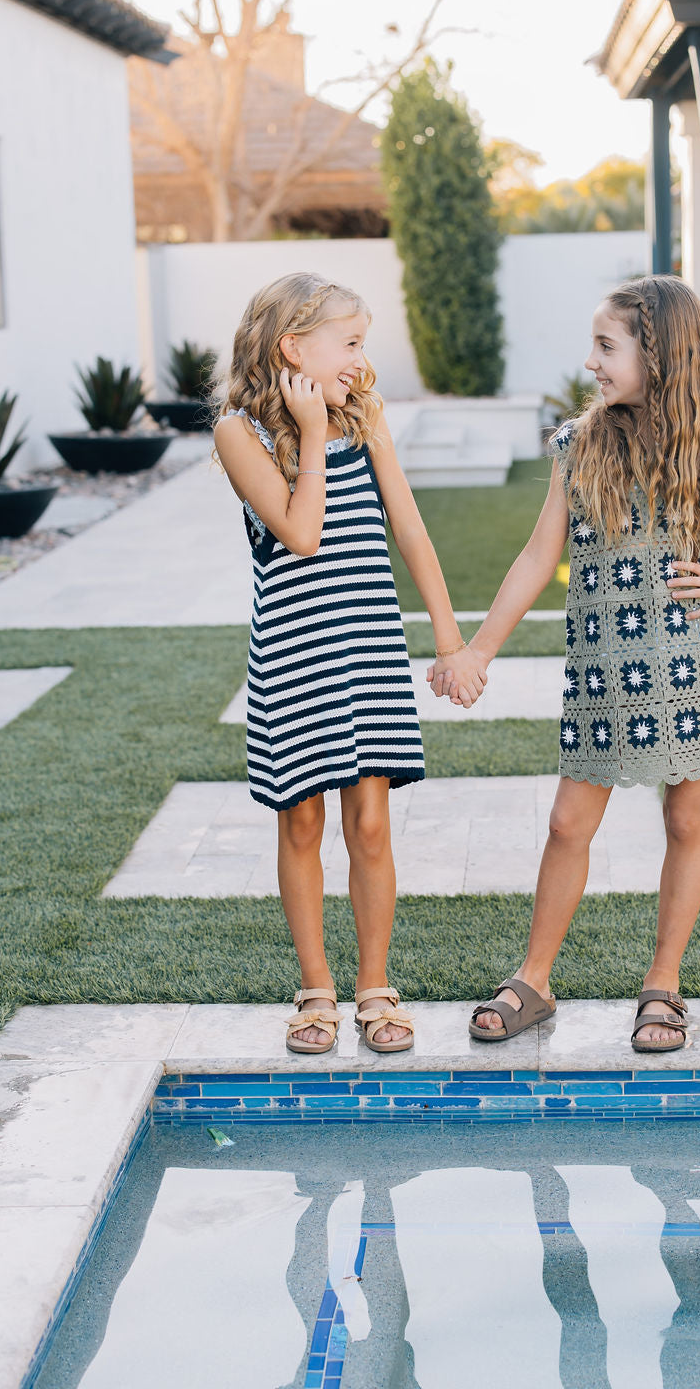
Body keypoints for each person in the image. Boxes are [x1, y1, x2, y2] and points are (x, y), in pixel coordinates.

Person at [431, 274, 700, 1052]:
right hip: (604, 675)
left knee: (686, 820)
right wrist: (480, 648)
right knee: (567, 823)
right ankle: (535, 980)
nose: (591, 362)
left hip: (692, 668)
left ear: (657, 356)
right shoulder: (577, 445)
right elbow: (537, 556)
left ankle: (663, 982)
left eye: (606, 346)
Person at [214, 272, 484, 1055]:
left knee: (369, 823)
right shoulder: (239, 432)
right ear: (293, 348)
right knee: (302, 820)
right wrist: (309, 430)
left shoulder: (365, 417)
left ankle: (374, 985)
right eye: (352, 342)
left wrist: (449, 641)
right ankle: (316, 988)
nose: (363, 361)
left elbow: (411, 527)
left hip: (368, 645)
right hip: (295, 654)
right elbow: (302, 535)